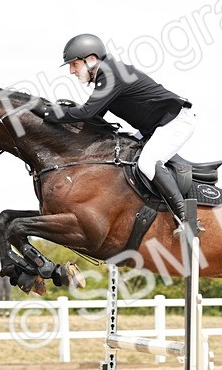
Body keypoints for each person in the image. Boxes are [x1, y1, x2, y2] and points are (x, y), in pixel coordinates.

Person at [43, 33, 197, 231]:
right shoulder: (106, 74)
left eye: (74, 64)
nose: (72, 71)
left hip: (176, 121)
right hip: (155, 127)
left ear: (91, 59)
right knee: (125, 155)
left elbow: (87, 112)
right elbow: (94, 118)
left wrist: (49, 112)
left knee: (147, 163)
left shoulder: (111, 74)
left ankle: (184, 216)